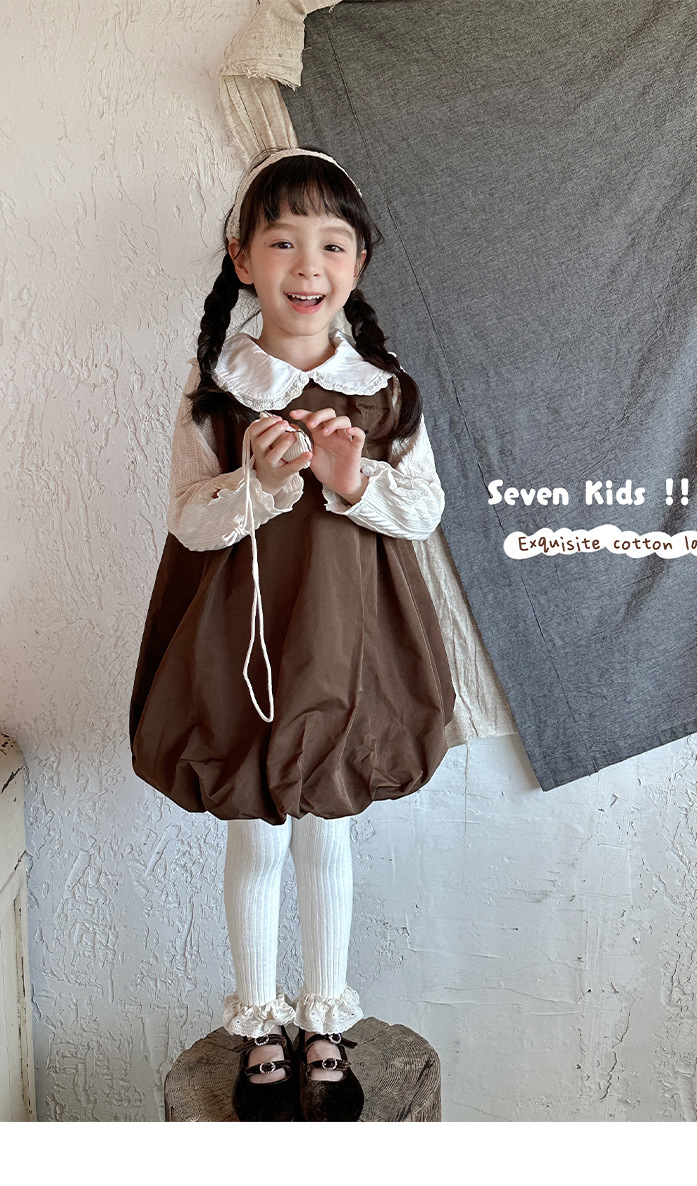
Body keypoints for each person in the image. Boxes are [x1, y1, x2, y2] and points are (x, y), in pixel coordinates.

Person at [129, 146, 456, 1122]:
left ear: (358, 262)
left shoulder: (387, 393)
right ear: (243, 258)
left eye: (331, 242)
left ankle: (324, 1022)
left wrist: (352, 480)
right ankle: (258, 1024)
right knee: (256, 832)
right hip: (244, 650)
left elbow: (424, 510)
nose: (307, 263)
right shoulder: (216, 391)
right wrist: (262, 482)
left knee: (328, 832)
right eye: (282, 240)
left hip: (349, 645)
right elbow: (188, 520)